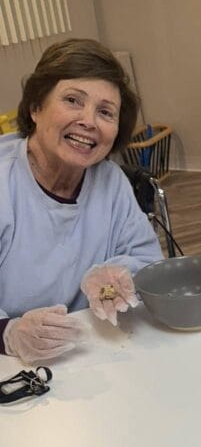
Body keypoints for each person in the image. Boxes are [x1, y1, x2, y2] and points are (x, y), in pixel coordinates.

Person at [0, 38, 163, 363]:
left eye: (105, 112)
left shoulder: (111, 181)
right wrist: (8, 333)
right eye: (73, 100)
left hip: (87, 351)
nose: (89, 121)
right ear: (36, 108)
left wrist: (119, 272)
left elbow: (148, 262)